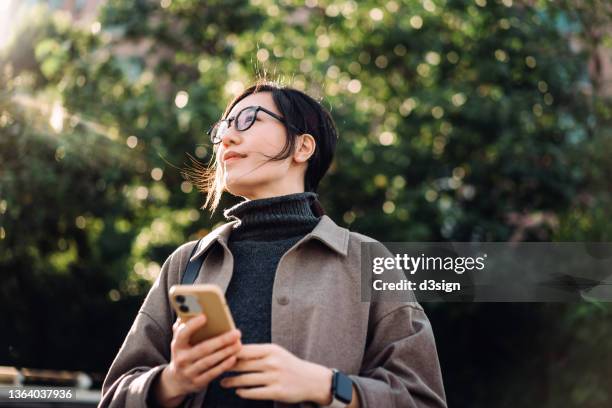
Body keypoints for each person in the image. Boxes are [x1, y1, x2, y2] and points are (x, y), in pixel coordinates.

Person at [99, 80, 447, 408]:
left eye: (249, 119)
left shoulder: (366, 260)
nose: (227, 139)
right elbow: (114, 395)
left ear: (302, 146)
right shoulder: (187, 262)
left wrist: (326, 386)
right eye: (223, 128)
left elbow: (421, 397)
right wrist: (172, 382)